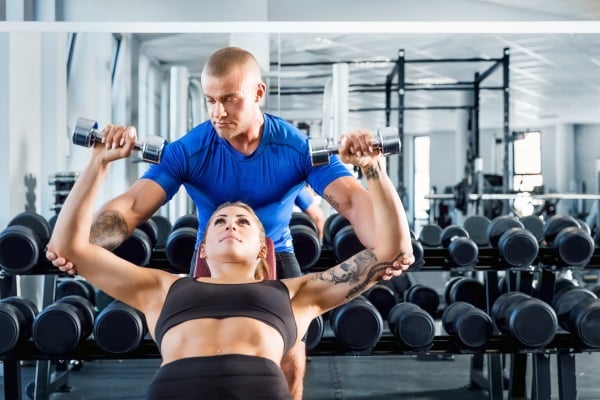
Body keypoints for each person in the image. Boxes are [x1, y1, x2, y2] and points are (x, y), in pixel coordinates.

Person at [50, 46, 382, 399]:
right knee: (191, 344)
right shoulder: (189, 150)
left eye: (229, 99)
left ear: (258, 94)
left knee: (292, 357)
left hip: (277, 248)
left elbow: (354, 204)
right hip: (212, 251)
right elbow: (130, 209)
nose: (217, 112)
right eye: (209, 100)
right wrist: (83, 247)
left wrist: (387, 245)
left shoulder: (296, 148)